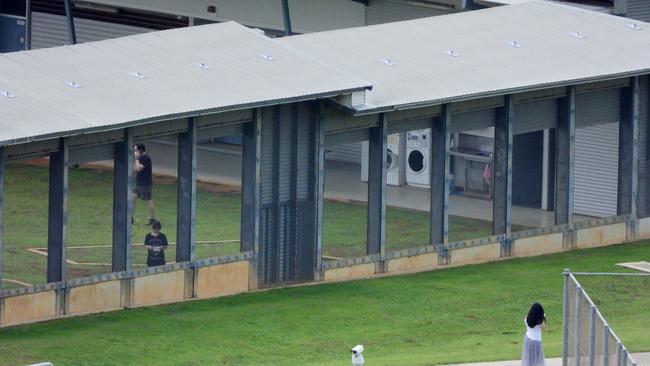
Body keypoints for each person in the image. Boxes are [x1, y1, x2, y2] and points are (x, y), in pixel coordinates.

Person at [132, 143, 155, 225]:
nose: (134, 152)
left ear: (140, 150)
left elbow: (139, 168)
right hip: (139, 184)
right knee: (132, 199)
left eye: (136, 150)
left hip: (145, 184)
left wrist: (136, 159)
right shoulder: (141, 158)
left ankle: (152, 219)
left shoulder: (146, 158)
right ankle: (130, 218)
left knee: (148, 201)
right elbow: (135, 169)